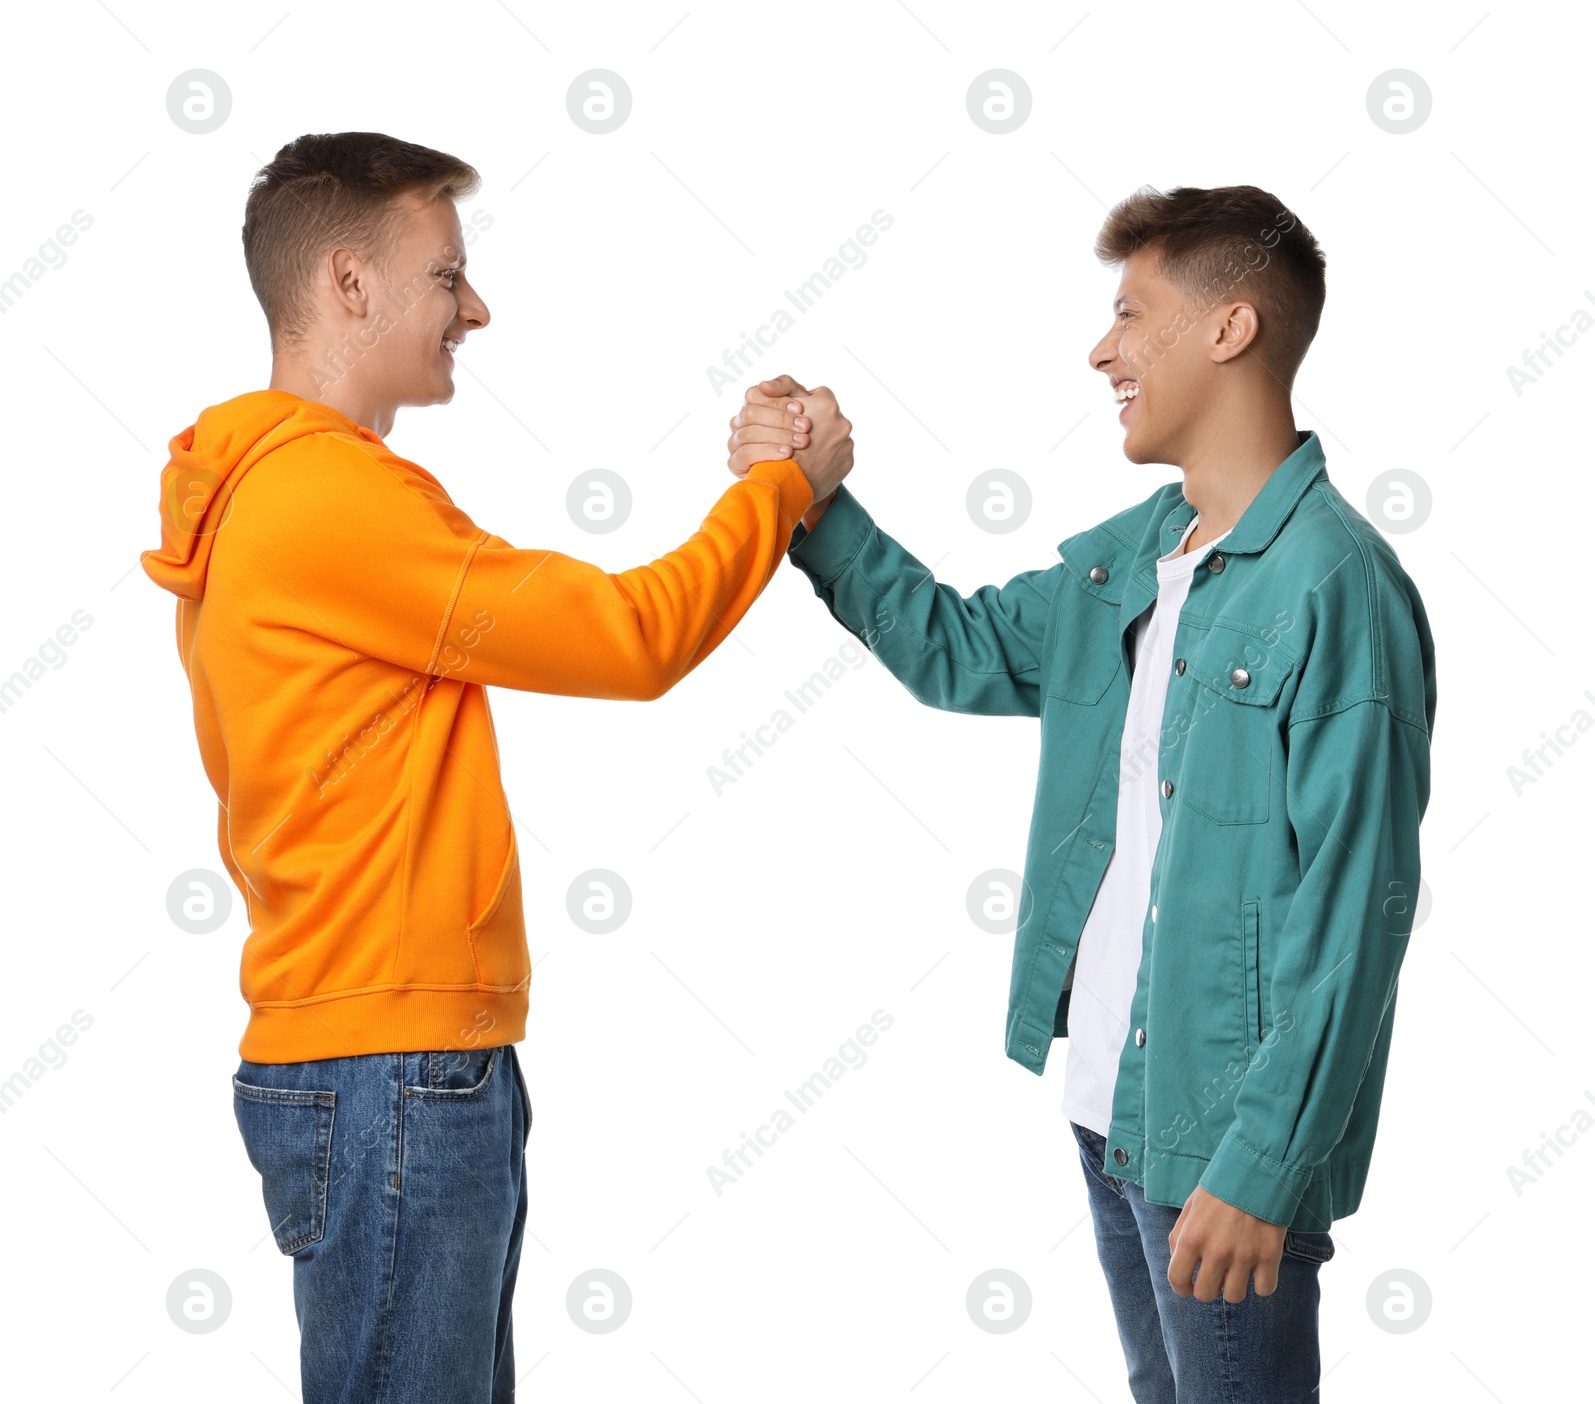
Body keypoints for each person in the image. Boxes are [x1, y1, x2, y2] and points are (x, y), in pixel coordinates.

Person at [140, 131, 850, 1404]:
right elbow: (629, 639)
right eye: (445, 276)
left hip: (380, 1054)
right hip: (394, 1069)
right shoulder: (327, 502)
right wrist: (779, 491)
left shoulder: (276, 495)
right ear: (349, 284)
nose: (475, 308)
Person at [728, 184, 1436, 1403]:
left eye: (1129, 314)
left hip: (1220, 1145)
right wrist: (814, 504)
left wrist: (1261, 1167)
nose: (1100, 349)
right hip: (1110, 1110)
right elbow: (953, 648)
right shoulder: (1134, 558)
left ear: (1228, 331)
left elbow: (1356, 916)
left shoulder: (1337, 588)